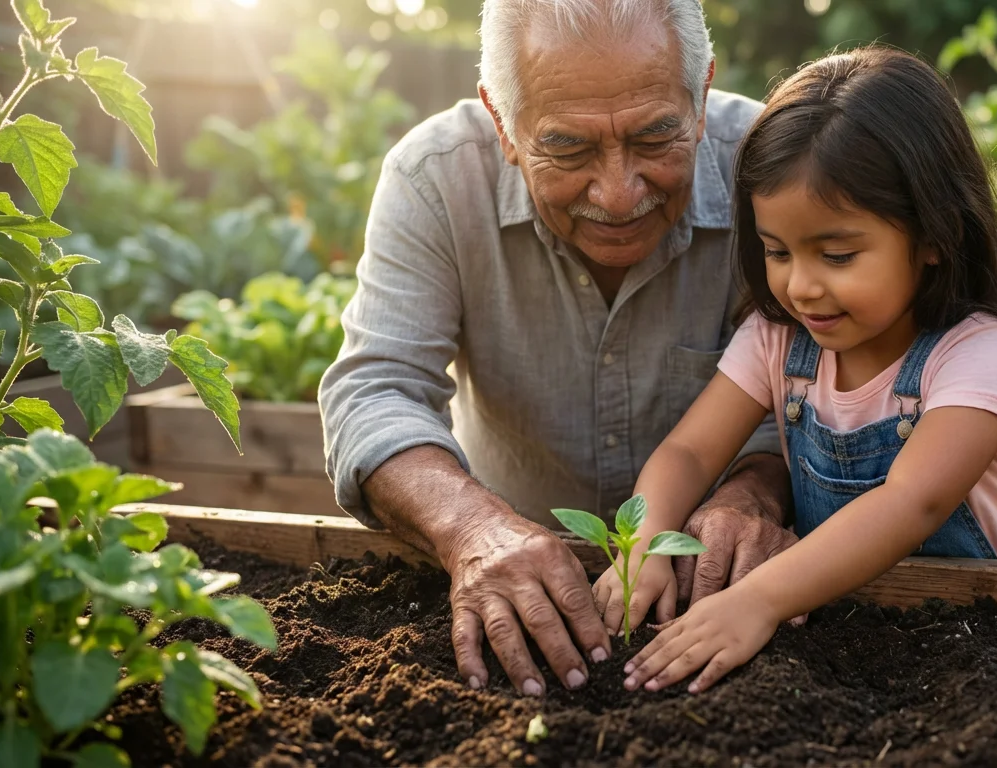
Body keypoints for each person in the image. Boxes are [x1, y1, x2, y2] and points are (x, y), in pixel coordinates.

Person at [318, 0, 798, 698]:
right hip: (506, 582)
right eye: (569, 148)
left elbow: (826, 379)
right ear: (501, 122)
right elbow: (376, 390)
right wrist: (473, 531)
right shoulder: (436, 178)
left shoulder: (775, 165)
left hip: (715, 596)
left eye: (656, 135)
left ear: (699, 98)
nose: (618, 191)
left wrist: (754, 495)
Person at [591, 45, 997, 694]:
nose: (801, 287)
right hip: (840, 628)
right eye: (777, 251)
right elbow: (688, 450)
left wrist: (758, 600)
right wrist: (645, 543)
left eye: (839, 255)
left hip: (987, 646)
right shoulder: (778, 339)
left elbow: (910, 502)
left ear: (934, 235)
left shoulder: (979, 355)